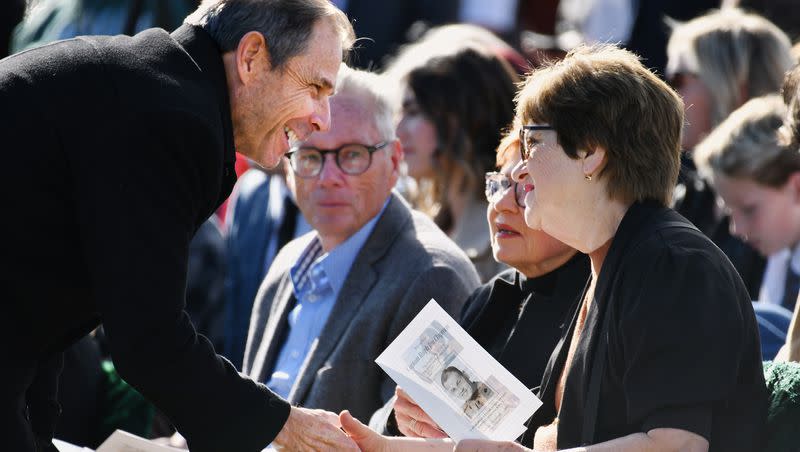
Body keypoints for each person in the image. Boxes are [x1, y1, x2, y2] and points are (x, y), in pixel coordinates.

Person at [343, 44, 767, 452]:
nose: (521, 170)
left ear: (590, 152)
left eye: (532, 143)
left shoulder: (672, 265)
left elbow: (677, 446)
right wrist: (383, 447)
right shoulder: (612, 262)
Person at [0, 0, 359, 451]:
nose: (321, 119)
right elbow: (150, 339)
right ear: (250, 58)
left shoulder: (161, 86)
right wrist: (283, 425)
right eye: (315, 87)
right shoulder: (174, 116)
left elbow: (43, 303)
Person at [242, 64, 480, 425]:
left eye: (352, 155)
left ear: (395, 160)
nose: (329, 178)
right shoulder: (288, 263)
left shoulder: (434, 276)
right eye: (309, 156)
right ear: (288, 169)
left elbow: (435, 442)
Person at [367, 128, 589, 440]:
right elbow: (391, 418)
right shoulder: (492, 296)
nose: (501, 203)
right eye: (498, 184)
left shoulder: (597, 302)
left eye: (526, 188)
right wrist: (401, 419)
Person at [666, 8, 794, 296]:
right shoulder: (692, 195)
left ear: (731, 85)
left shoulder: (780, 199)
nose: (666, 92)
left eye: (678, 80)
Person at [396, 48, 519, 281]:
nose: (398, 130)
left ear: (461, 120)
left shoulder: (509, 234)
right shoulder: (418, 224)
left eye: (413, 112)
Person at [692, 95, 798, 352]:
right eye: (730, 212)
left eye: (749, 210)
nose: (736, 229)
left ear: (797, 187)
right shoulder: (776, 255)